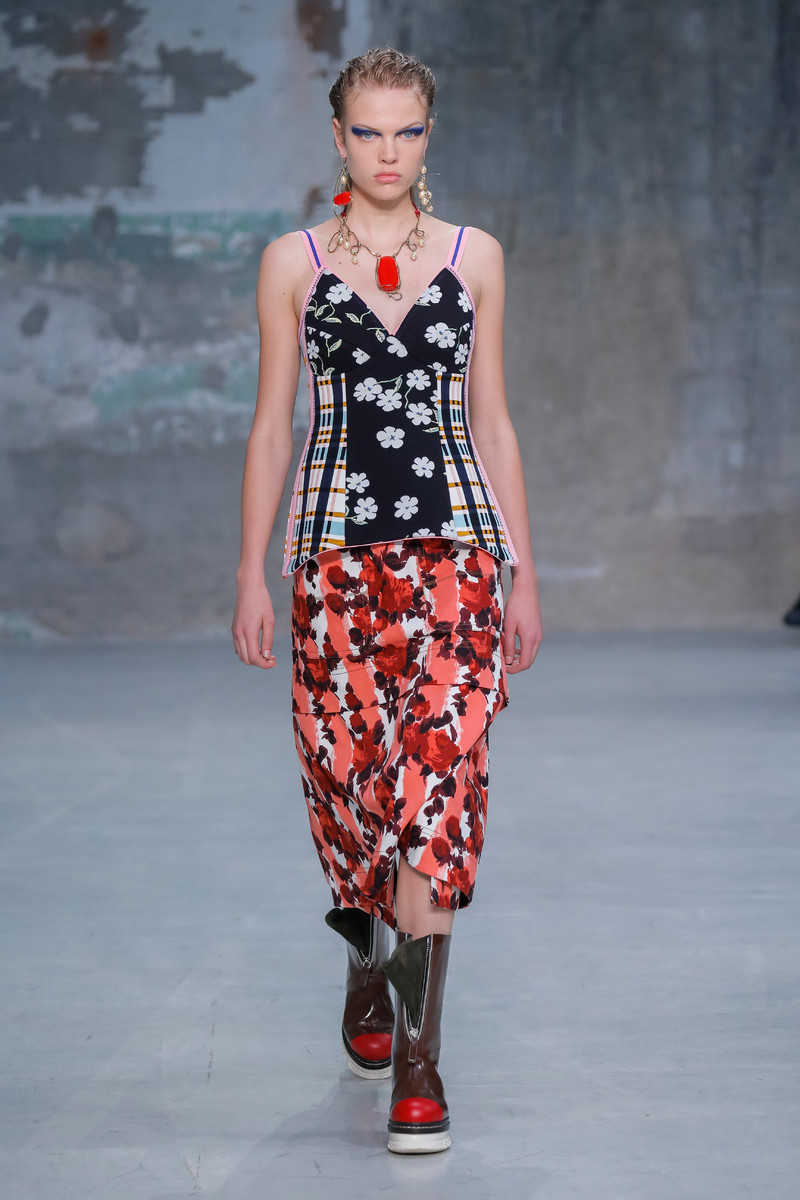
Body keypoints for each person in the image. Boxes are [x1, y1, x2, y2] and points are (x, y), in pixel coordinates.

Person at [232, 46, 542, 1154]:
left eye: (406, 131)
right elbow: (274, 427)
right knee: (354, 792)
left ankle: (420, 1057)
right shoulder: (293, 264)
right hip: (332, 564)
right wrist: (251, 570)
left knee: (436, 795)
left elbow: (491, 420)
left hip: (456, 557)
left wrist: (524, 570)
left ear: (428, 134)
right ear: (337, 136)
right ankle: (369, 951)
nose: (386, 152)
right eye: (367, 131)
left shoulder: (473, 256)